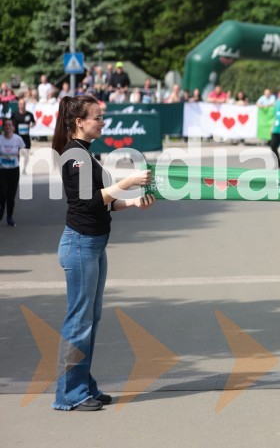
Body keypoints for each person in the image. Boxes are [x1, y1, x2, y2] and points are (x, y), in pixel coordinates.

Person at [51, 95, 155, 411]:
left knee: (90, 319)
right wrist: (127, 182)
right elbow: (88, 202)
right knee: (79, 321)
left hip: (92, 245)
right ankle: (69, 394)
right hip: (80, 245)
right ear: (79, 121)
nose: (102, 121)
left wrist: (132, 201)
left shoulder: (84, 154)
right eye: (97, 117)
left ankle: (83, 386)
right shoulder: (76, 156)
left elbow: (103, 203)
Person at [0, 118, 26, 226]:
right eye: (6, 125)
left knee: (11, 195)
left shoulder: (18, 139)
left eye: (10, 125)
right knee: (2, 194)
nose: (8, 127)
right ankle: (1, 210)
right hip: (1, 170)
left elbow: (24, 150)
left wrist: (20, 154)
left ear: (13, 127)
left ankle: (9, 217)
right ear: (3, 127)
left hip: (14, 170)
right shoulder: (0, 139)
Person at [11, 97, 36, 173]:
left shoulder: (29, 114)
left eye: (23, 104)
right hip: (17, 137)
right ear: (18, 105)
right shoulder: (14, 114)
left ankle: (24, 168)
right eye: (20, 104)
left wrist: (32, 125)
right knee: (16, 154)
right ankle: (17, 167)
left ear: (25, 105)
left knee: (26, 155)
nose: (22, 105)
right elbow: (10, 123)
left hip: (26, 138)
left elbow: (34, 122)